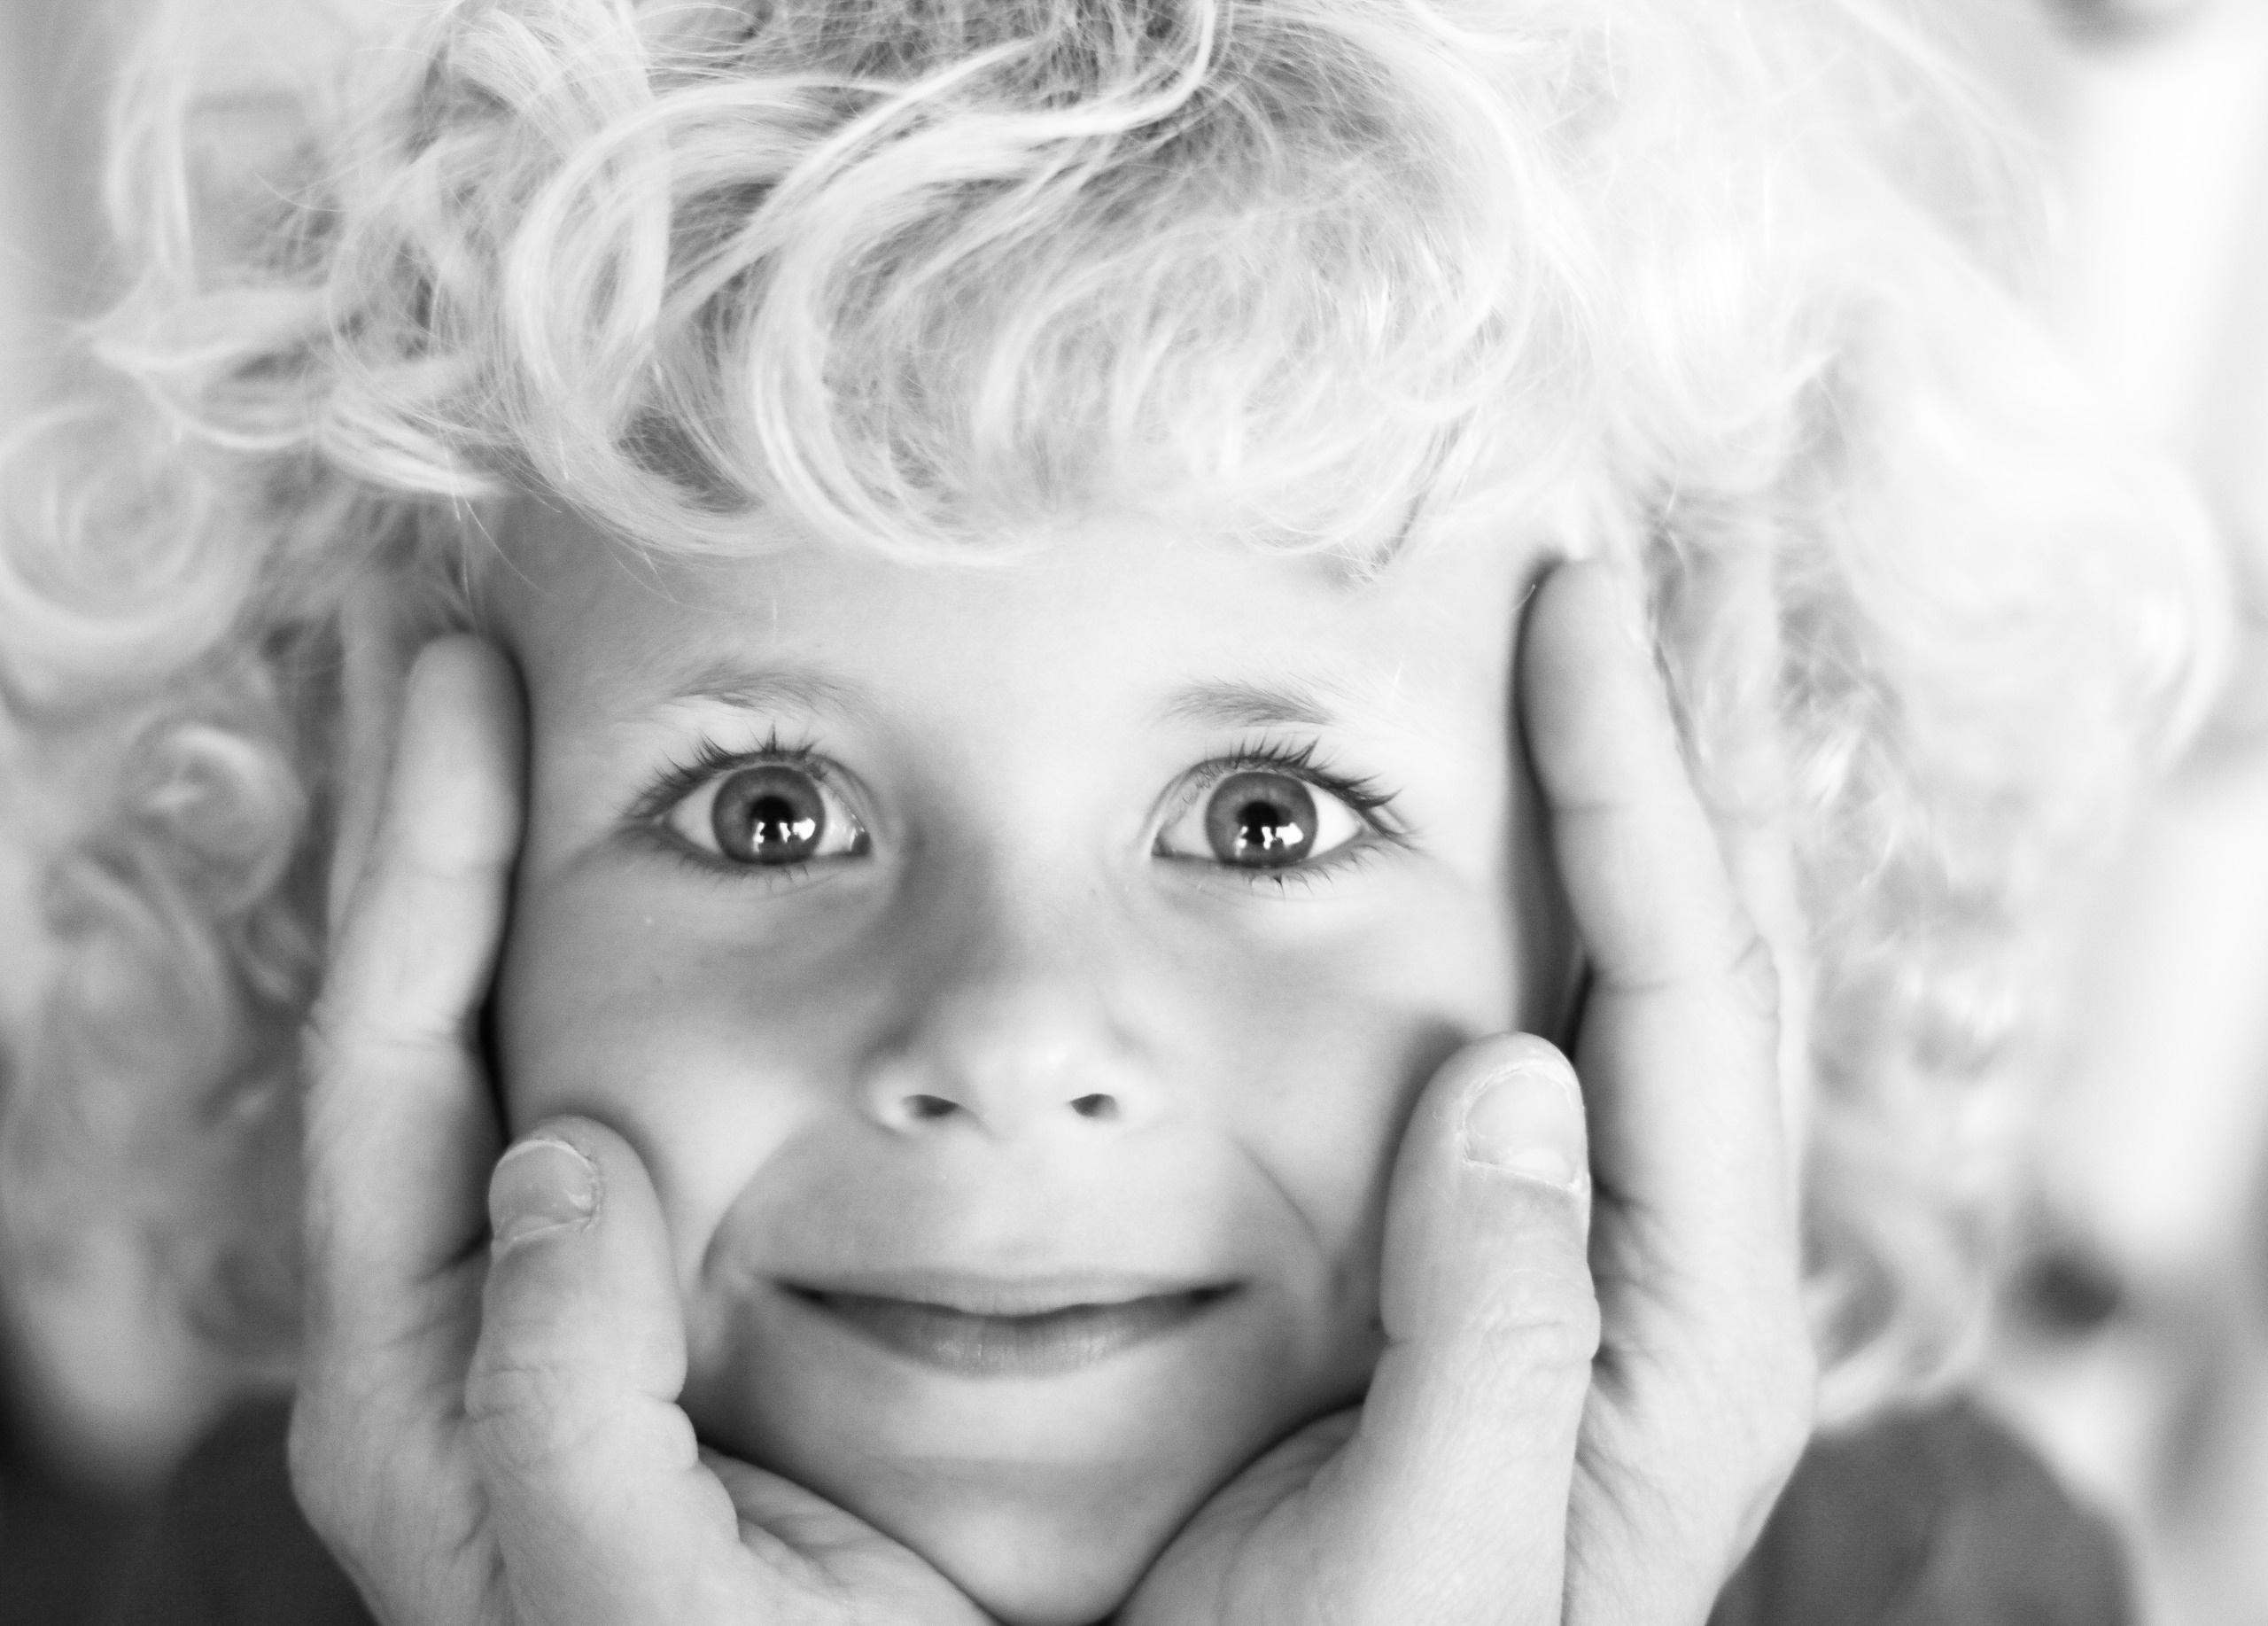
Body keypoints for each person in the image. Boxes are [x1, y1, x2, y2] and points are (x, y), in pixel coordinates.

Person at [0, 0, 2223, 1622]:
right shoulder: (234, 1569)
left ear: (1639, 930)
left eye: (1264, 818)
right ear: (413, 914)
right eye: (769, 811)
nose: (1009, 1031)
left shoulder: (1950, 1586)